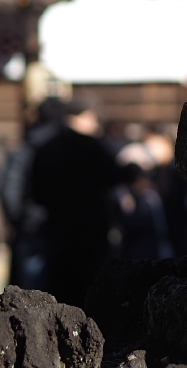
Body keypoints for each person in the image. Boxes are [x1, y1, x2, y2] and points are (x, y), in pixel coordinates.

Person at [29, 98, 136, 307]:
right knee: (91, 297)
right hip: (90, 233)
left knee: (59, 297)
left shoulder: (46, 148)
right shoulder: (90, 146)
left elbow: (37, 193)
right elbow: (114, 175)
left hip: (57, 232)